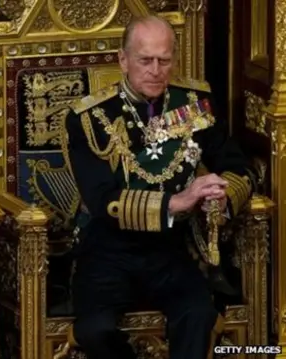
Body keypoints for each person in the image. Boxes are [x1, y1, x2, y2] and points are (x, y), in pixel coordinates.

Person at [66, 15, 256, 359]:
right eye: (145, 60)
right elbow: (102, 200)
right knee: (97, 331)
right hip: (109, 251)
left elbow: (240, 167)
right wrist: (176, 202)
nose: (156, 70)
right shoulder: (90, 119)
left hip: (172, 250)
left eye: (164, 60)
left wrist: (220, 192)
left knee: (198, 316)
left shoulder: (195, 106)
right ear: (123, 60)